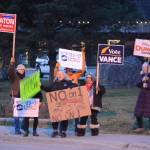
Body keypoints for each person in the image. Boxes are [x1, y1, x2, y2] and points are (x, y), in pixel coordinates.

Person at [41, 70, 77, 138]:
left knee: (64, 118)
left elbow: (75, 86)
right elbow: (48, 89)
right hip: (55, 104)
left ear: (64, 75)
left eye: (61, 74)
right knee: (55, 118)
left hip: (65, 104)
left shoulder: (68, 82)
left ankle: (63, 132)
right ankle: (55, 131)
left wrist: (71, 87)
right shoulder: (55, 83)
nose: (59, 75)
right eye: (58, 74)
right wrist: (41, 86)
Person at [8, 57, 26, 134]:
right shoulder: (14, 76)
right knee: (16, 114)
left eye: (22, 69)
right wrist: (12, 64)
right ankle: (17, 130)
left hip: (24, 97)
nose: (21, 70)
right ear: (17, 70)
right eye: (20, 69)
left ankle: (23, 127)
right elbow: (10, 72)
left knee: (25, 114)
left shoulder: (25, 78)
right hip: (15, 96)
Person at [134, 62, 150, 133]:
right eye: (143, 68)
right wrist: (142, 80)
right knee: (138, 112)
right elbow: (137, 84)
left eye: (145, 68)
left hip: (148, 95)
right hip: (142, 96)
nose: (144, 69)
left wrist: (148, 85)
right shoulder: (142, 75)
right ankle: (140, 127)